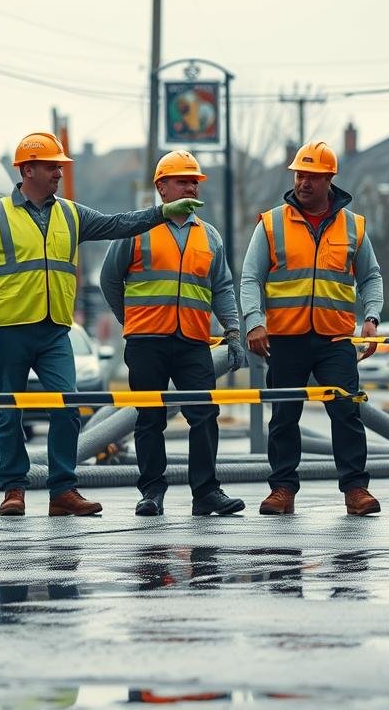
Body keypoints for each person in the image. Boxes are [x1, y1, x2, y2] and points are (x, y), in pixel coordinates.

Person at [0, 132, 203, 517]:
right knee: (10, 411)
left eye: (60, 166)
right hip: (8, 329)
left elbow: (118, 224)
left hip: (55, 328)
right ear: (28, 170)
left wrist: (162, 213)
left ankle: (62, 490)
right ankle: (13, 489)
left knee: (68, 408)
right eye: (51, 166)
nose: (59, 172)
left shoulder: (71, 214)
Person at [239, 141, 384, 516]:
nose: (303, 182)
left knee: (346, 412)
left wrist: (371, 319)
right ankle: (282, 490)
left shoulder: (354, 225)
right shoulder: (271, 223)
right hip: (285, 338)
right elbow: (250, 278)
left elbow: (371, 277)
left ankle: (356, 490)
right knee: (285, 415)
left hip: (335, 338)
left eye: (312, 176)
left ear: (329, 180)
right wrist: (254, 322)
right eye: (299, 175)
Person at [99, 150, 247, 517]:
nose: (191, 185)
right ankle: (151, 492)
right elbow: (110, 279)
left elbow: (223, 287)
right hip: (146, 341)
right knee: (150, 418)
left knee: (204, 414)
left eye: (195, 180)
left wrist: (233, 331)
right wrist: (130, 321)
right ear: (161, 187)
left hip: (193, 342)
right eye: (183, 180)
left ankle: (206, 493)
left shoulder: (208, 236)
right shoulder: (138, 228)